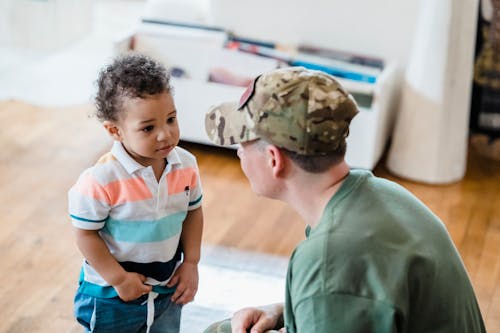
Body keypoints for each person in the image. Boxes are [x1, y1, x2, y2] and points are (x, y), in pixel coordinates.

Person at [203, 67, 486, 333]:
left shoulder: (330, 260)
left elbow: (339, 286)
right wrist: (283, 312)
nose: (239, 152)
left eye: (243, 143)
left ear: (274, 159)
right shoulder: (382, 194)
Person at [68, 53, 204, 333]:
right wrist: (118, 279)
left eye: (171, 119)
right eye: (148, 128)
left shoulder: (186, 165)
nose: (165, 134)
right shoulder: (101, 180)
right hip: (112, 297)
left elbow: (193, 212)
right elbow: (85, 234)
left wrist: (191, 262)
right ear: (114, 130)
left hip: (166, 288)